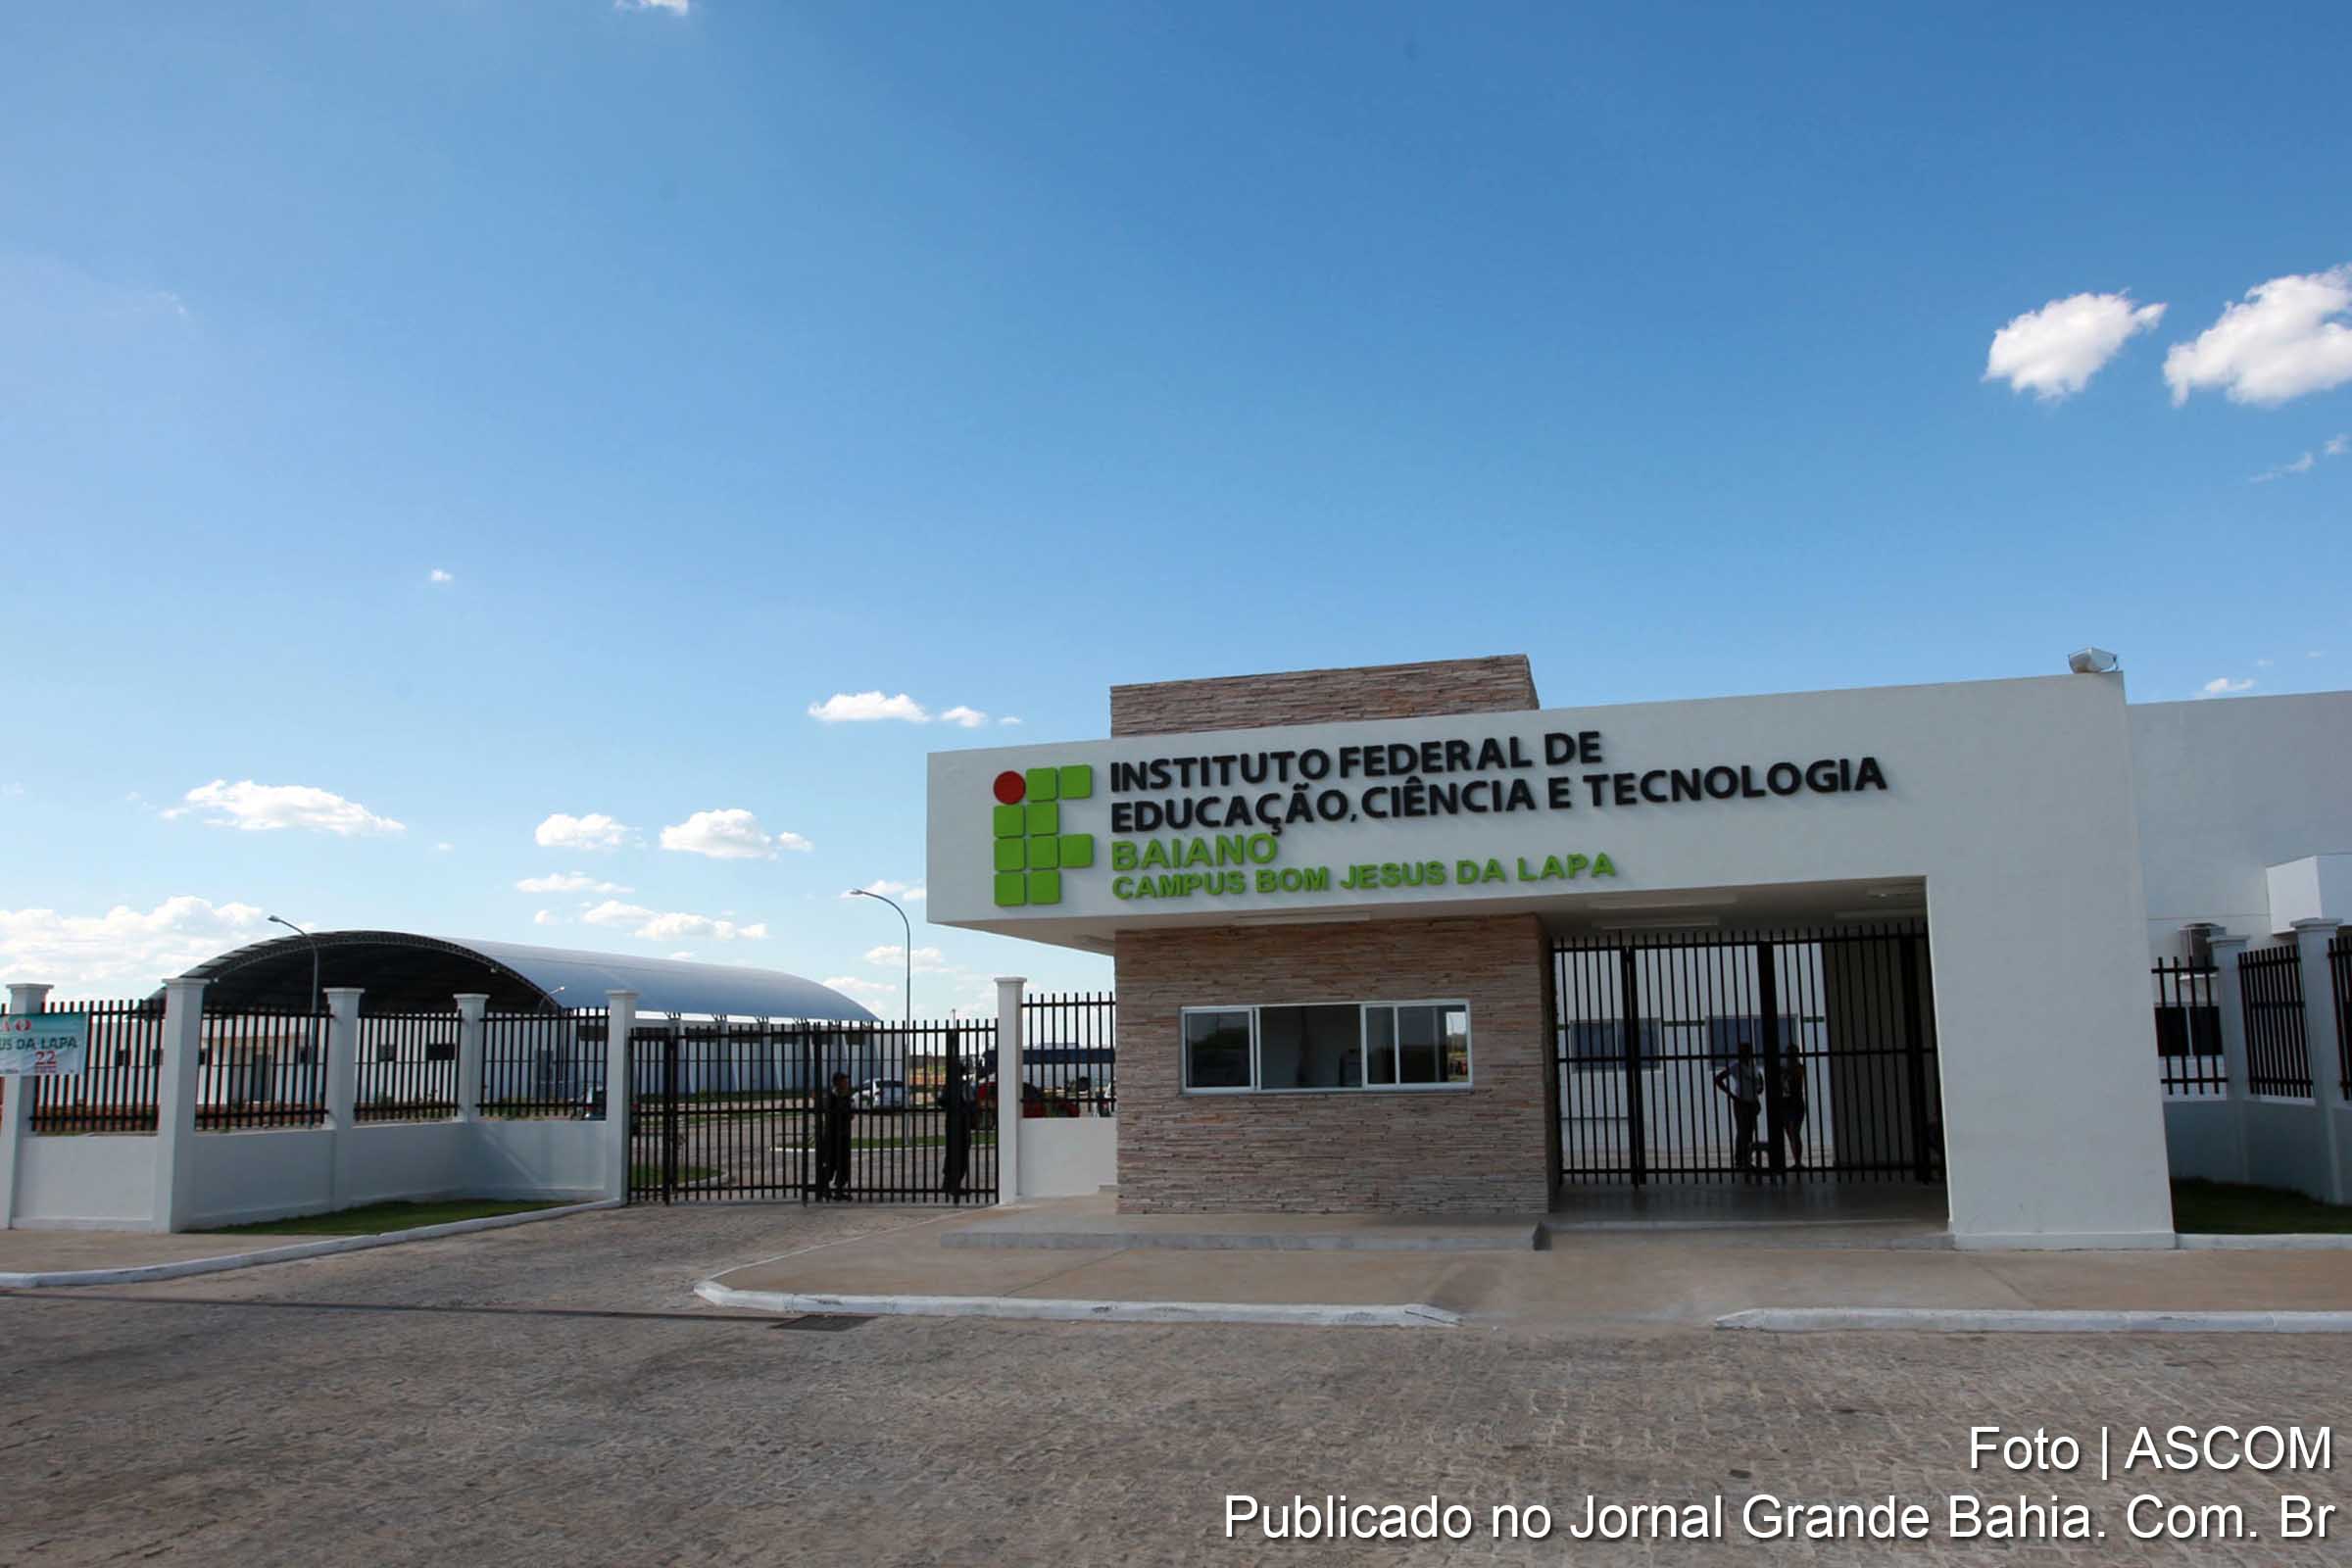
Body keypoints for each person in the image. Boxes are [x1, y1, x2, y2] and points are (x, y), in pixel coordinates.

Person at [1713, 1037, 1763, 1174]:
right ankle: (1741, 1161)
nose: (1746, 1054)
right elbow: (1718, 1079)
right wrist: (1732, 1095)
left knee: (1749, 1132)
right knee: (1743, 1132)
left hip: (1752, 1102)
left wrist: (1759, 1088)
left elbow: (1759, 1082)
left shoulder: (1753, 1066)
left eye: (1747, 1052)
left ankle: (1746, 1161)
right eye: (1744, 1052)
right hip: (1742, 1103)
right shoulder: (1735, 1066)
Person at [814, 1070, 854, 1200]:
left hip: (844, 1134)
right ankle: (824, 1189)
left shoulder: (846, 1096)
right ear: (837, 1083)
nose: (846, 1083)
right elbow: (832, 1114)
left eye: (846, 1081)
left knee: (843, 1164)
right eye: (844, 1081)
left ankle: (839, 1190)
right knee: (830, 1163)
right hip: (832, 1136)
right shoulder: (830, 1097)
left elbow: (850, 1114)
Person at [940, 1051, 970, 1199]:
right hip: (960, 1121)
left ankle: (948, 1184)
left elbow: (941, 1101)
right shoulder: (961, 1085)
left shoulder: (949, 1085)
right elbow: (970, 1101)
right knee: (960, 1153)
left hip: (952, 1122)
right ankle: (953, 1185)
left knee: (952, 1152)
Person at [1778, 1055, 1807, 1171]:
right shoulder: (1786, 1070)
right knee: (1791, 1134)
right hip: (1787, 1104)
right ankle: (1797, 1162)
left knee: (1794, 1133)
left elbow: (1794, 1082)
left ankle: (1798, 1162)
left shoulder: (1798, 1068)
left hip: (1795, 1104)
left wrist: (1784, 1072)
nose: (1790, 1058)